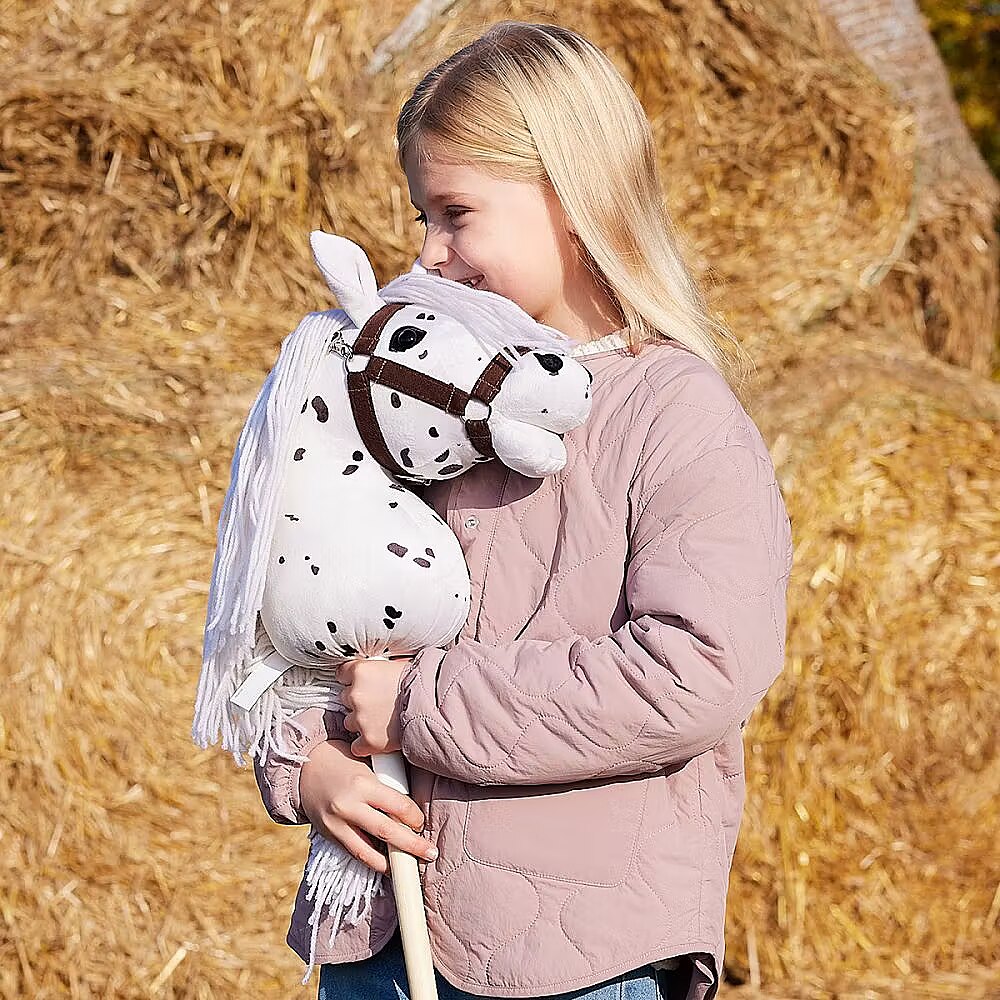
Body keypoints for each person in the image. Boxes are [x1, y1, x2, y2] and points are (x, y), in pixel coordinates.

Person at [253, 20, 794, 1000]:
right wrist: (308, 766)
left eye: (455, 214)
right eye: (422, 216)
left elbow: (697, 671)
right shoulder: (417, 407)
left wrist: (419, 705)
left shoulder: (673, 413)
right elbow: (320, 609)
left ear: (573, 196)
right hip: (380, 937)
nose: (429, 254)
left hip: (577, 959)